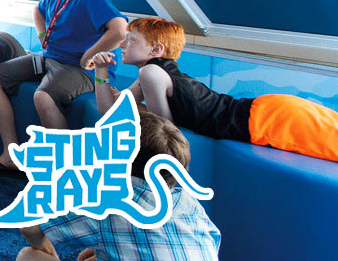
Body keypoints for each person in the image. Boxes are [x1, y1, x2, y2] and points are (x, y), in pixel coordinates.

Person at [89, 18, 338, 171]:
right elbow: (109, 111)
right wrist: (101, 72)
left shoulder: (150, 74)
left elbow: (165, 132)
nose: (122, 45)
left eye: (131, 40)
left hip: (271, 122)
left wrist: (135, 110)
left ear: (156, 49)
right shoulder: (154, 73)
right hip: (272, 113)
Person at [0, 0, 128, 173]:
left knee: (43, 96)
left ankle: (69, 171)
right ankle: (11, 152)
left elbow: (120, 30)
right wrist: (42, 37)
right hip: (50, 58)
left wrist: (89, 54)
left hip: (78, 69)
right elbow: (38, 10)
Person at [17, 112, 222, 261]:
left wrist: (50, 253)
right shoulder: (189, 203)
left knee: (28, 257)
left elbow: (29, 224)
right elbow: (212, 241)